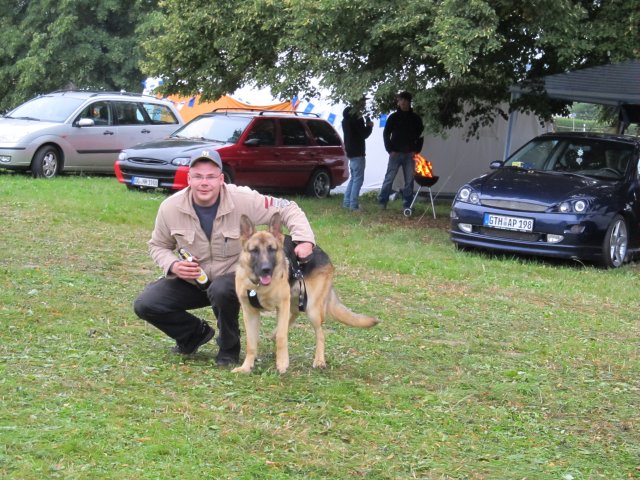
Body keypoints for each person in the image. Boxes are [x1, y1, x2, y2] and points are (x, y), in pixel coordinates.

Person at [133, 150, 315, 365]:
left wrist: (304, 240)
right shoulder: (170, 207)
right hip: (194, 280)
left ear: (221, 179)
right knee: (146, 304)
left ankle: (229, 349)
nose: (204, 183)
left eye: (211, 177)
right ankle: (193, 334)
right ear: (188, 179)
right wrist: (173, 265)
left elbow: (288, 208)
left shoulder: (243, 199)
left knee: (221, 289)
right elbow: (158, 245)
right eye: (198, 177)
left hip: (232, 279)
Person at [378, 91, 424, 210]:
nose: (402, 102)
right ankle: (382, 201)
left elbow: (421, 135)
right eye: (400, 100)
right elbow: (386, 134)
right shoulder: (393, 117)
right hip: (395, 153)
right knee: (389, 178)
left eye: (404, 100)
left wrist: (416, 150)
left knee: (409, 180)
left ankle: (407, 204)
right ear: (398, 102)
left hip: (410, 154)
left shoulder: (415, 118)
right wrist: (390, 150)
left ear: (409, 102)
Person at [341, 100, 374, 210]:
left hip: (350, 152)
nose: (364, 104)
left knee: (353, 178)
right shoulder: (357, 118)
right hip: (358, 152)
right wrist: (369, 126)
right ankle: (353, 205)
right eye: (363, 102)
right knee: (358, 180)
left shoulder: (345, 119)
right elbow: (363, 134)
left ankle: (346, 202)